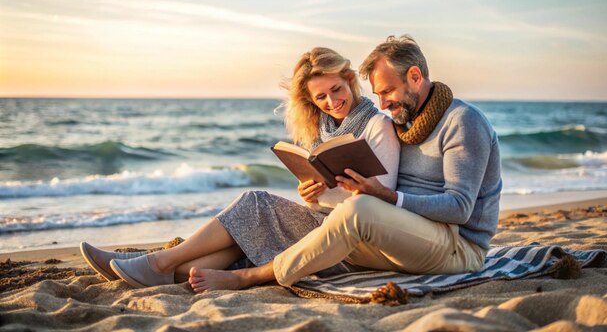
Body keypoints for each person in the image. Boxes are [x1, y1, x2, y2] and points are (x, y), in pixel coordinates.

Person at [174, 34, 502, 291]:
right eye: (377, 95)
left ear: (415, 76)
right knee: (270, 213)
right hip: (403, 238)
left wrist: (384, 196)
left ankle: (253, 277)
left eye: (388, 91)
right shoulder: (407, 121)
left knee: (357, 210)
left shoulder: (464, 121)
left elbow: (460, 208)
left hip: (457, 248)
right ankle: (168, 266)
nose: (383, 104)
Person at [79, 47, 400, 290]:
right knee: (240, 240)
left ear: (348, 80)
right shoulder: (325, 130)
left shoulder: (377, 126)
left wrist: (326, 195)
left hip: (348, 238)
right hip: (323, 222)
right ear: (311, 101)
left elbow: (376, 202)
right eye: (321, 98)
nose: (331, 102)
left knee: (255, 204)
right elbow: (322, 200)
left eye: (337, 90)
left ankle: (157, 262)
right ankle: (149, 270)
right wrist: (310, 194)